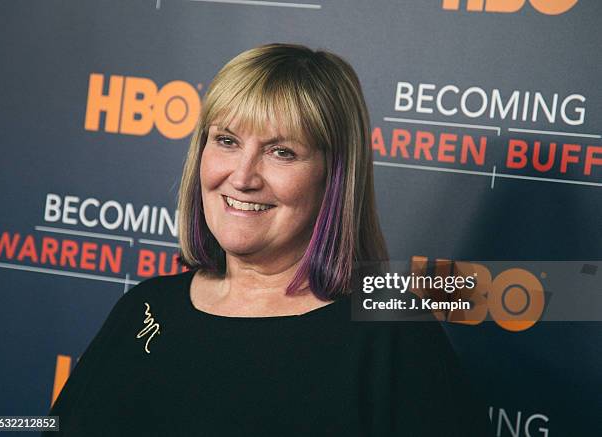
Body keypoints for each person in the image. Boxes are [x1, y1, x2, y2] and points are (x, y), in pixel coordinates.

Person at [45, 43, 492, 436]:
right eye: (226, 140)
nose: (241, 177)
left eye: (282, 152)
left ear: (334, 179)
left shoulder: (391, 335)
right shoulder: (146, 308)